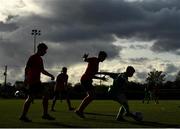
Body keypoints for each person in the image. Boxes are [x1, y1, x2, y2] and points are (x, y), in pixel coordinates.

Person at [19, 43, 55, 122]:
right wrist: (26, 79)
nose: (45, 52)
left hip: (37, 81)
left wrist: (50, 75)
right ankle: (23, 116)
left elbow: (42, 70)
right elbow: (26, 68)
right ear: (40, 49)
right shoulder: (33, 57)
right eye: (45, 50)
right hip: (32, 82)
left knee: (46, 94)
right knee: (30, 98)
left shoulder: (40, 59)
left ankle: (44, 114)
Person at [75, 51, 107, 118]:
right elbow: (85, 60)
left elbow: (92, 75)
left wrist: (101, 78)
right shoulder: (94, 59)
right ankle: (79, 110)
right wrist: (84, 57)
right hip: (85, 79)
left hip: (88, 80)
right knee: (91, 96)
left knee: (91, 96)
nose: (104, 59)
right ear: (100, 56)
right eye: (104, 57)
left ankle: (80, 110)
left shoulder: (97, 62)